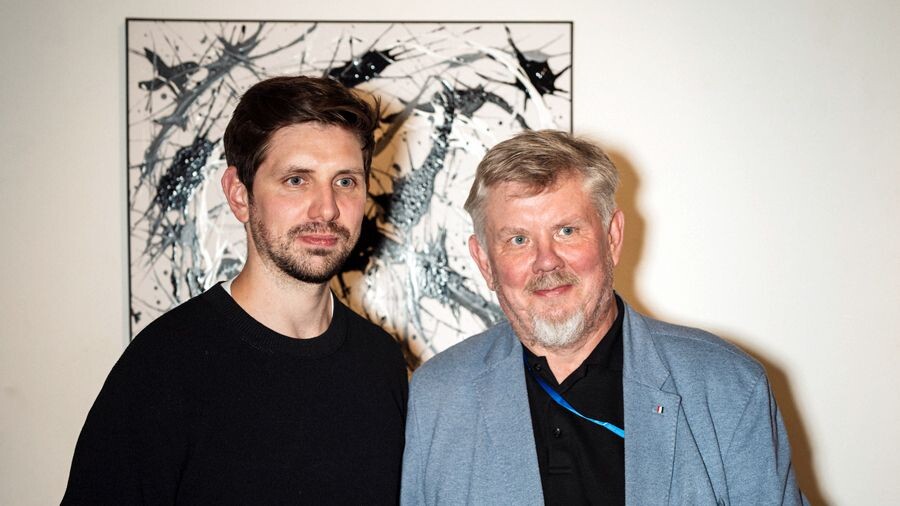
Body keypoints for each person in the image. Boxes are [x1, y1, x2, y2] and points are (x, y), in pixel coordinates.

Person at [400, 130, 807, 505]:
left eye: (566, 231)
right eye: (519, 239)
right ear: (485, 261)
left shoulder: (727, 387)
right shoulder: (437, 398)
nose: (546, 261)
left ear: (612, 238)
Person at [64, 76, 408, 504]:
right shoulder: (164, 367)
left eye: (345, 181)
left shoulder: (380, 362)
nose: (327, 209)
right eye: (296, 180)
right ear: (240, 195)